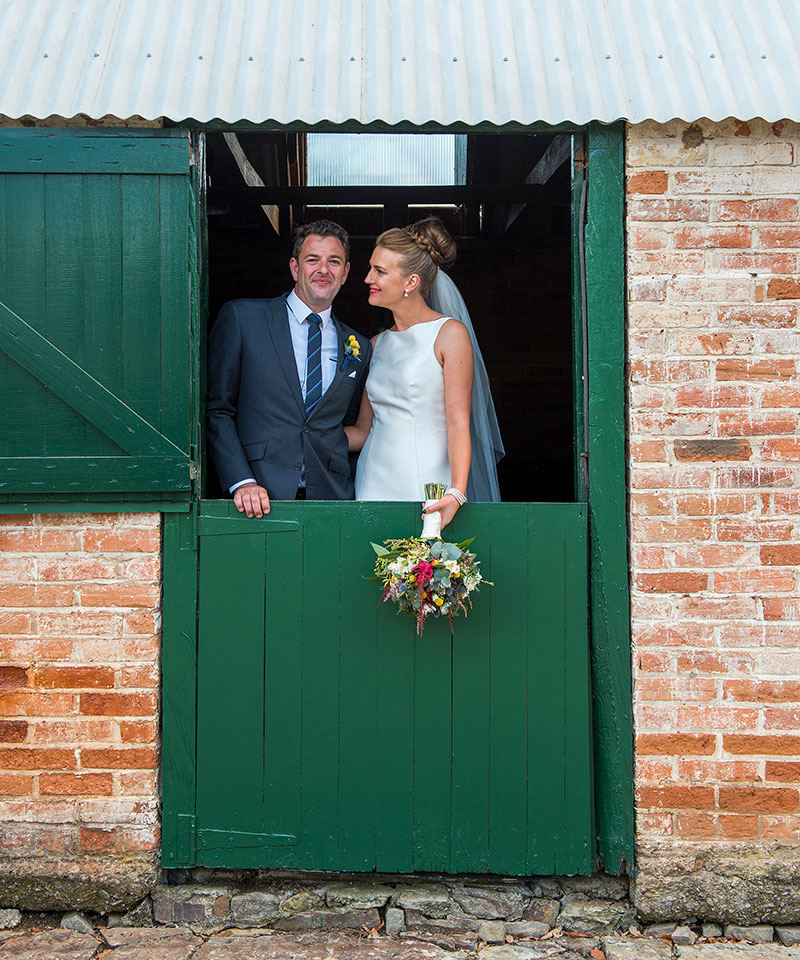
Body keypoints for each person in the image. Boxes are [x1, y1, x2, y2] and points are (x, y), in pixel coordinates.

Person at [206, 220, 372, 517]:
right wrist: (242, 482)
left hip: (332, 497)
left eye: (334, 261)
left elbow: (344, 422)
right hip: (255, 496)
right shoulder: (243, 318)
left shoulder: (358, 345)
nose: (323, 270)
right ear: (295, 268)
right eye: (313, 260)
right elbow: (219, 410)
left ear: (345, 273)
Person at [346, 218, 503, 530]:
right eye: (370, 268)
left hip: (426, 482)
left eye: (380, 271)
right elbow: (363, 431)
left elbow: (459, 422)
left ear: (411, 282)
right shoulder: (377, 344)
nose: (367, 278)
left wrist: (457, 491)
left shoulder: (449, 335)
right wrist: (304, 436)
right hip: (372, 479)